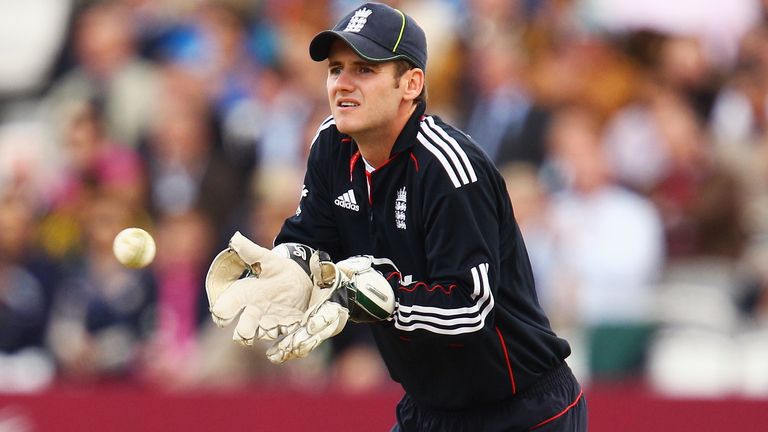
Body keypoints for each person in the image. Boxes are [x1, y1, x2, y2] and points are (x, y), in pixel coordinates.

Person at [206, 3, 586, 431]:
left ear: (411, 83)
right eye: (336, 69)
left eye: (364, 70)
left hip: (521, 408)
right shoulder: (332, 142)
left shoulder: (450, 168)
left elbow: (472, 307)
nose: (342, 84)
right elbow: (311, 238)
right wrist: (289, 269)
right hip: (427, 407)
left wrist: (382, 299)